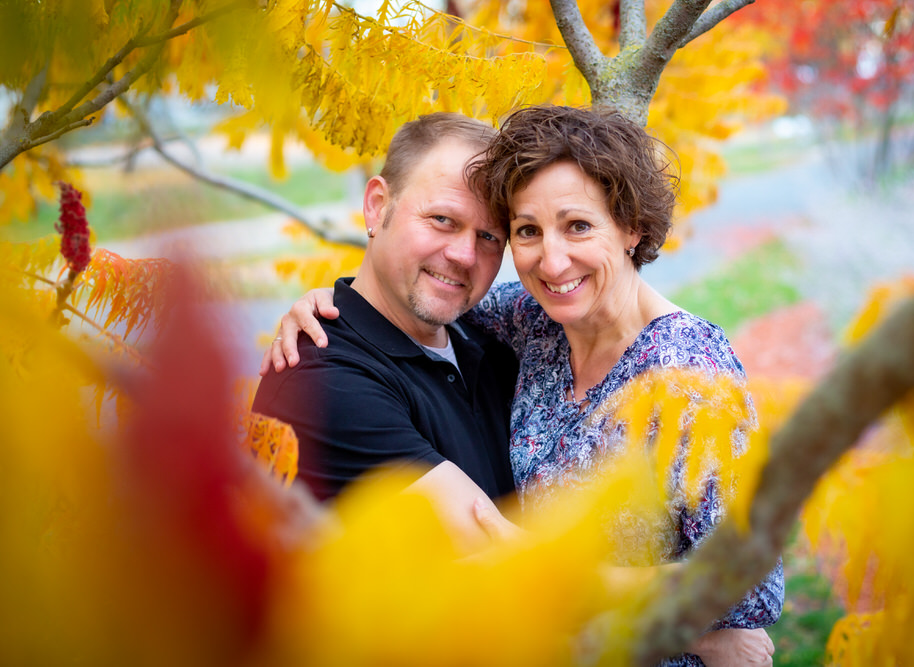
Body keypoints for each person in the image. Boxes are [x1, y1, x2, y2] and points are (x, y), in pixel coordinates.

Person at [262, 106, 780, 666]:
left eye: (490, 235)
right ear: (376, 206)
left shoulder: (673, 364)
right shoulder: (520, 328)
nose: (551, 261)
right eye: (526, 231)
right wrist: (698, 634)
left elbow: (752, 582)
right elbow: (506, 567)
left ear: (631, 227)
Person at [252, 113, 519, 555]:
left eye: (490, 236)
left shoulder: (490, 342)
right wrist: (672, 586)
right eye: (442, 220)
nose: (465, 255)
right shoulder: (320, 380)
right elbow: (501, 555)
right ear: (377, 205)